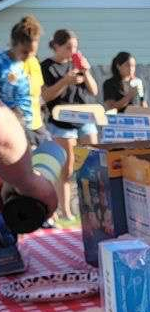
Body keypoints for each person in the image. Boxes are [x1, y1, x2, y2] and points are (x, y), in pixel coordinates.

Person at [41, 29, 98, 222]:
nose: (73, 51)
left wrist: (86, 71)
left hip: (84, 117)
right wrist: (65, 81)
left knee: (94, 162)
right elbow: (46, 96)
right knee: (67, 169)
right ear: (56, 46)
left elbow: (94, 91)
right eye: (68, 47)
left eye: (75, 46)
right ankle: (66, 212)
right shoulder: (47, 67)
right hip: (61, 120)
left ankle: (94, 210)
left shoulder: (77, 63)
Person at [9, 16, 47, 143]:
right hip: (13, 128)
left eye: (33, 52)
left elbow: (38, 94)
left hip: (36, 126)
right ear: (14, 45)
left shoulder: (34, 62)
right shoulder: (5, 65)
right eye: (25, 52)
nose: (29, 56)